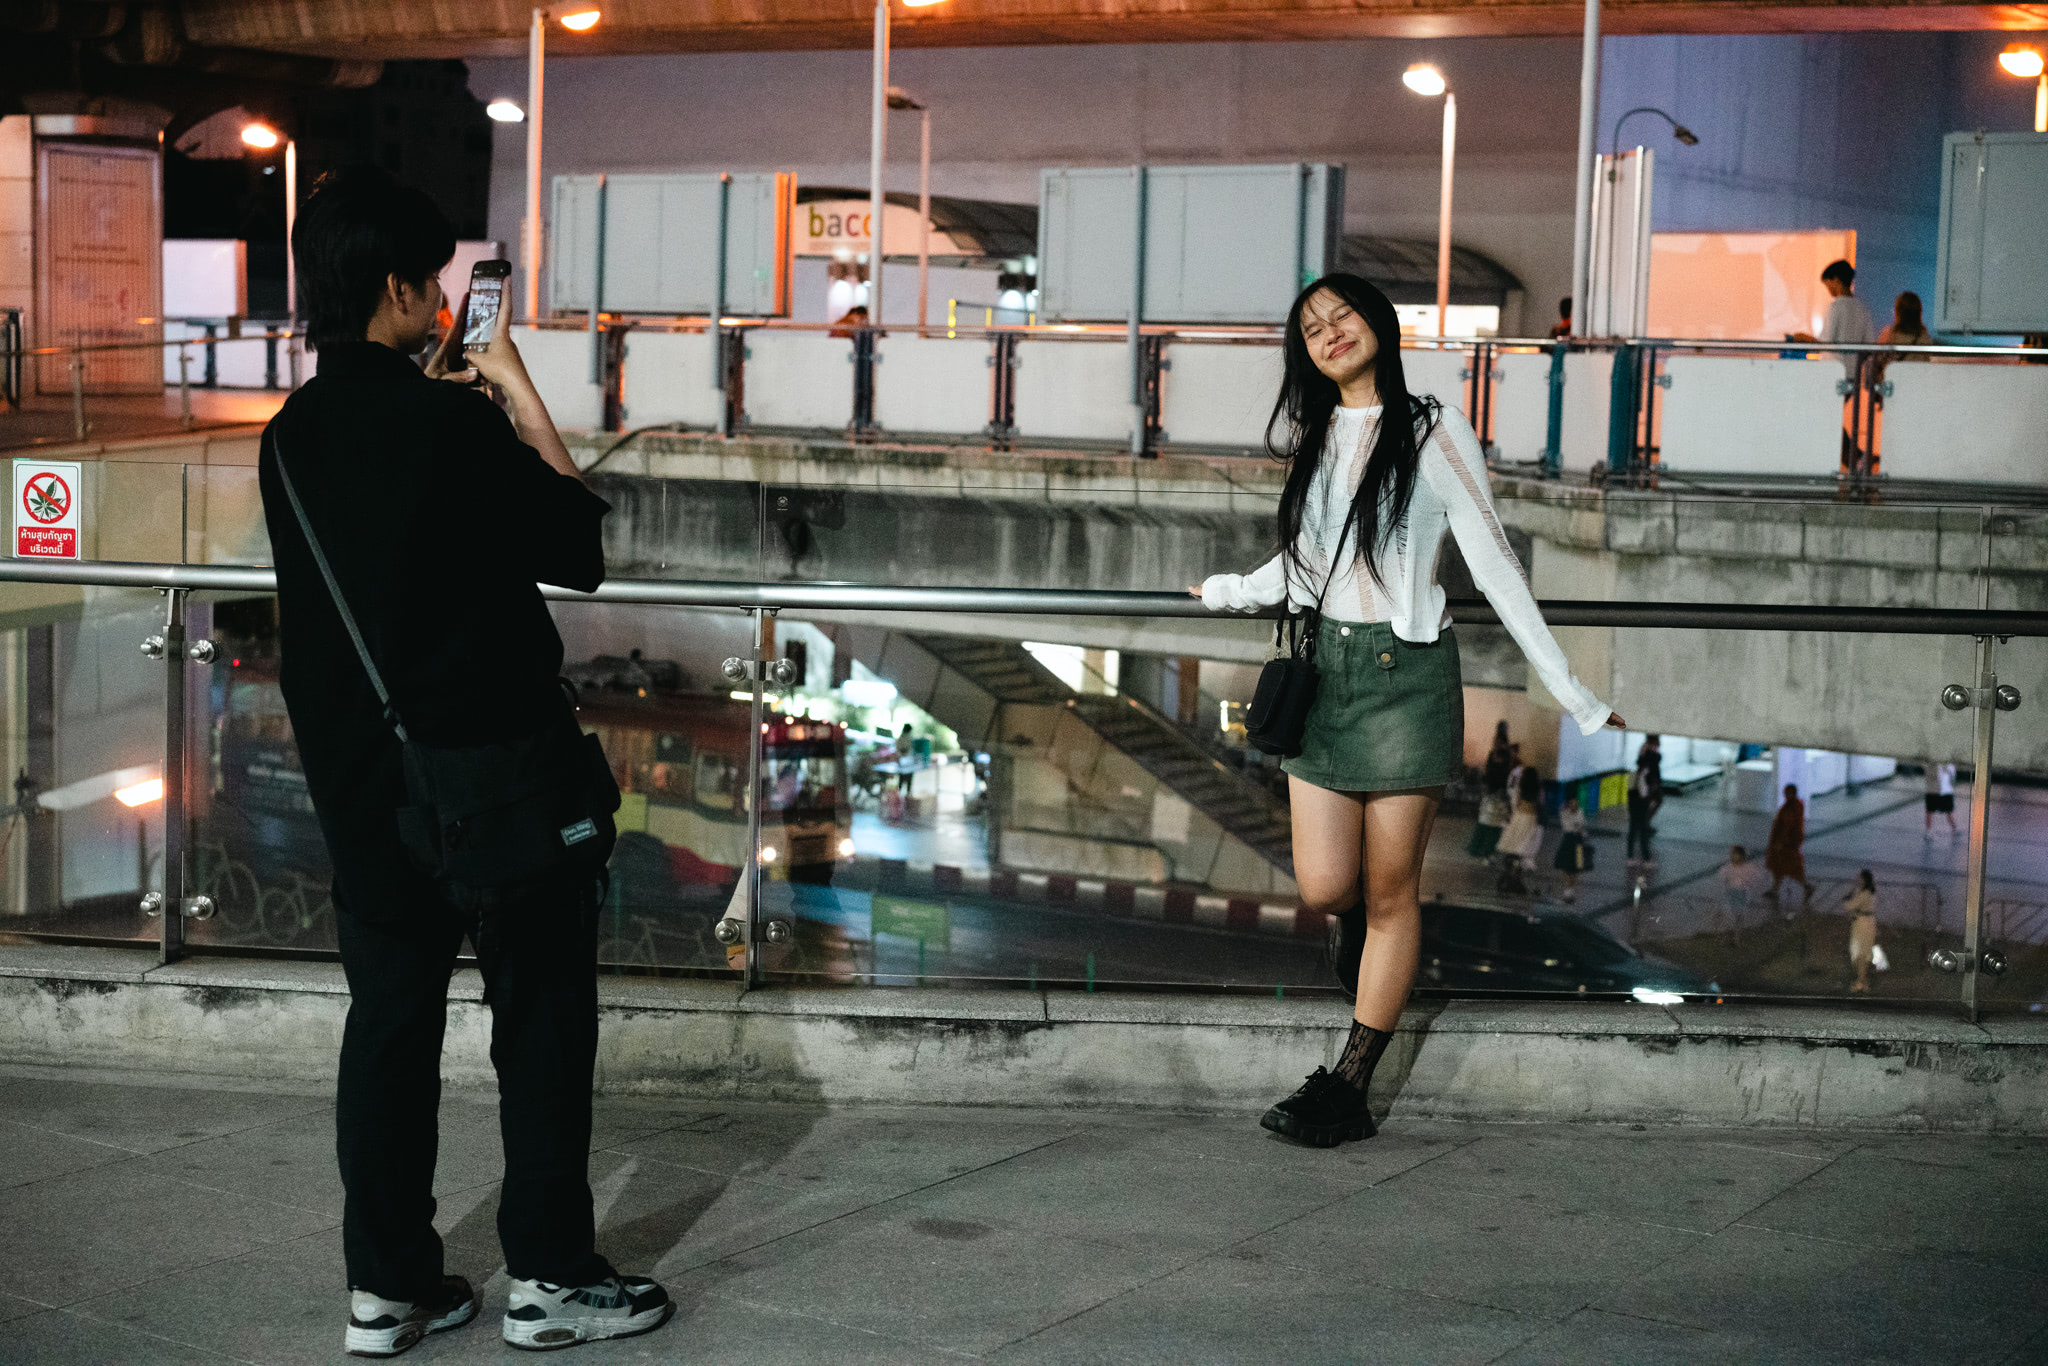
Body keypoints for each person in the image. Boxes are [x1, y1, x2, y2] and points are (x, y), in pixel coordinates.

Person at [260, 168, 673, 1357]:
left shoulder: (286, 441)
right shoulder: (454, 422)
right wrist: (513, 388)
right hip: (499, 784)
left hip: (364, 796)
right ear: (395, 290)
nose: (444, 297)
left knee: (387, 1029)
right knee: (540, 1024)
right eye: (432, 280)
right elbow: (577, 545)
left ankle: (387, 1286)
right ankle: (549, 1277)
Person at [1191, 272, 1623, 1148]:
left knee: (1393, 894)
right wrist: (1225, 590)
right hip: (1328, 677)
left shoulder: (1433, 429)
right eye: (1312, 327)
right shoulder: (1316, 437)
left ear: (1378, 323)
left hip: (1405, 677)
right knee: (1325, 887)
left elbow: (1496, 565)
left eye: (1341, 314)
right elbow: (1305, 565)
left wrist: (1573, 693)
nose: (1329, 332)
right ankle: (1364, 942)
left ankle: (1349, 1082)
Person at [1789, 260, 1877, 470]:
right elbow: (1870, 346)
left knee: (1824, 417)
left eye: (1828, 283)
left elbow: (1826, 342)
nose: (1828, 288)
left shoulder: (1835, 307)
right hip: (1853, 375)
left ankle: (1854, 457)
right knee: (1830, 417)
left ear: (1836, 280)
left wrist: (1803, 338)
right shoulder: (1862, 310)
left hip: (1832, 373)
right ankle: (1856, 457)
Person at [1765, 783, 1816, 907]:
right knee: (1782, 868)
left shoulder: (1789, 808)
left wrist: (1780, 842)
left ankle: (1805, 886)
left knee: (1790, 867)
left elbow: (1787, 827)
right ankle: (1775, 889)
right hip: (1791, 843)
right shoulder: (1798, 806)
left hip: (1786, 845)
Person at [1496, 766, 1544, 896]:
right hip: (1531, 819)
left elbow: (1515, 803)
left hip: (1519, 817)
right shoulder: (1538, 788)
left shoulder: (1521, 787)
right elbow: (1540, 804)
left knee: (1514, 848)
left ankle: (1508, 878)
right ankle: (1516, 879)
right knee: (1523, 848)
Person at [1844, 868, 1880, 993]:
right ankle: (1863, 980)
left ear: (1864, 880)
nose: (1857, 880)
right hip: (1869, 922)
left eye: (1859, 878)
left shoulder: (1864, 894)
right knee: (1864, 951)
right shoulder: (1871, 892)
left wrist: (1847, 899)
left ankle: (1860, 982)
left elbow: (1850, 906)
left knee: (1860, 952)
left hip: (1862, 924)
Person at [1625, 744, 1661, 868]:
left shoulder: (1634, 774)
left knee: (1634, 831)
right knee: (1642, 832)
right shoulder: (1645, 775)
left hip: (1634, 804)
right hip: (1640, 805)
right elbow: (1643, 792)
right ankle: (1645, 858)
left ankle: (1632, 857)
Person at [1552, 791, 1590, 903]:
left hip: (1578, 840)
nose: (1575, 803)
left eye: (1576, 801)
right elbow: (1568, 826)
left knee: (1576, 867)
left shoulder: (1580, 811)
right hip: (1568, 840)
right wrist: (1577, 825)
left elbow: (1581, 826)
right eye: (1572, 801)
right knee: (1566, 866)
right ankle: (1567, 890)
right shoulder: (1564, 812)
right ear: (1568, 802)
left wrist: (1583, 833)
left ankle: (1570, 890)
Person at [1716, 845, 1765, 923]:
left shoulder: (1749, 868)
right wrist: (1725, 890)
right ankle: (1736, 925)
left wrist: (1748, 886)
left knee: (1740, 911)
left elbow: (1756, 879)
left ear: (1741, 856)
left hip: (1743, 892)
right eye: (1733, 854)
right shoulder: (1727, 868)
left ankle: (1739, 925)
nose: (1734, 856)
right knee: (1733, 911)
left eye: (1736, 854)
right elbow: (1722, 880)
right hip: (1731, 892)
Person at [1924, 759, 1958, 836]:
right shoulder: (1930, 762)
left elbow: (1953, 777)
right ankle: (1928, 830)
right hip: (1932, 790)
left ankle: (1954, 828)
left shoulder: (1950, 765)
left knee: (1949, 812)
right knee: (1929, 811)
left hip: (1946, 791)